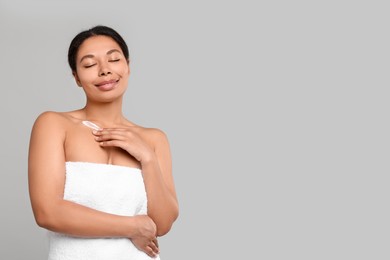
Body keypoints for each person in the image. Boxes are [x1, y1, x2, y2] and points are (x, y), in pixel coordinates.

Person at [28, 25, 179, 260]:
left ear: (128, 66)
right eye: (89, 64)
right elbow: (47, 212)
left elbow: (162, 224)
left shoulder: (154, 139)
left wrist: (147, 158)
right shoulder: (54, 125)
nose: (105, 70)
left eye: (114, 59)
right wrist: (132, 227)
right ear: (76, 77)